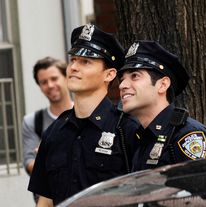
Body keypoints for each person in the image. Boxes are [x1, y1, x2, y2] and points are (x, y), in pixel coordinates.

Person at [28, 24, 139, 206]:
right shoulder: (54, 132)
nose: (73, 68)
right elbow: (46, 201)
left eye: (85, 62)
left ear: (109, 74)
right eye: (73, 60)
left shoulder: (127, 130)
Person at [118, 40, 206, 171]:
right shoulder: (141, 137)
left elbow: (204, 189)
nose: (122, 85)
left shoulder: (188, 135)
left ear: (162, 85)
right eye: (122, 79)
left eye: (135, 76)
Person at [22, 56, 73, 202]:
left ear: (66, 77)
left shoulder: (86, 114)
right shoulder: (32, 121)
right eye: (44, 82)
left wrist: (46, 156)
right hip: (48, 199)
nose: (50, 85)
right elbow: (29, 162)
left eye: (54, 78)